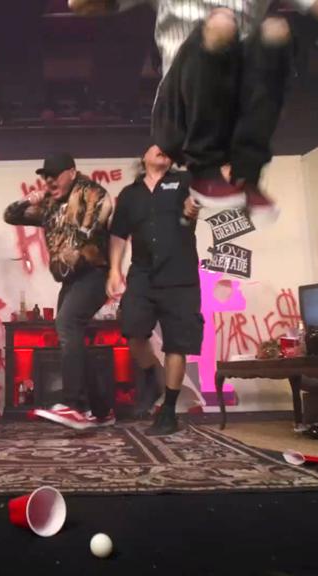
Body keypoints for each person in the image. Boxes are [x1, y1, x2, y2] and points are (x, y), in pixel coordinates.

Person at [68, 0, 318, 216]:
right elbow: (82, 5)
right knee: (220, 26)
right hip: (180, 117)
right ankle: (206, 169)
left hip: (238, 115)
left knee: (275, 31)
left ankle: (247, 174)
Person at [3, 153, 114, 430]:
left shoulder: (90, 192)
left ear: (72, 173)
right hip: (71, 280)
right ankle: (101, 410)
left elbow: (94, 224)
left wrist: (70, 251)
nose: (50, 181)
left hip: (95, 273)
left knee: (67, 324)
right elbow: (10, 215)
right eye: (46, 177)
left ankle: (74, 405)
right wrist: (28, 200)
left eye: (55, 175)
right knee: (70, 334)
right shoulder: (50, 206)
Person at [107, 144, 202, 435]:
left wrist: (194, 205)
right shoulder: (129, 194)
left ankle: (168, 411)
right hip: (143, 274)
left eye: (167, 146)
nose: (163, 149)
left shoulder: (184, 181)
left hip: (180, 274)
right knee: (132, 328)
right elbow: (119, 234)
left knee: (176, 344)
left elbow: (200, 197)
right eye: (156, 145)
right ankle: (152, 376)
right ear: (144, 157)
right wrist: (114, 269)